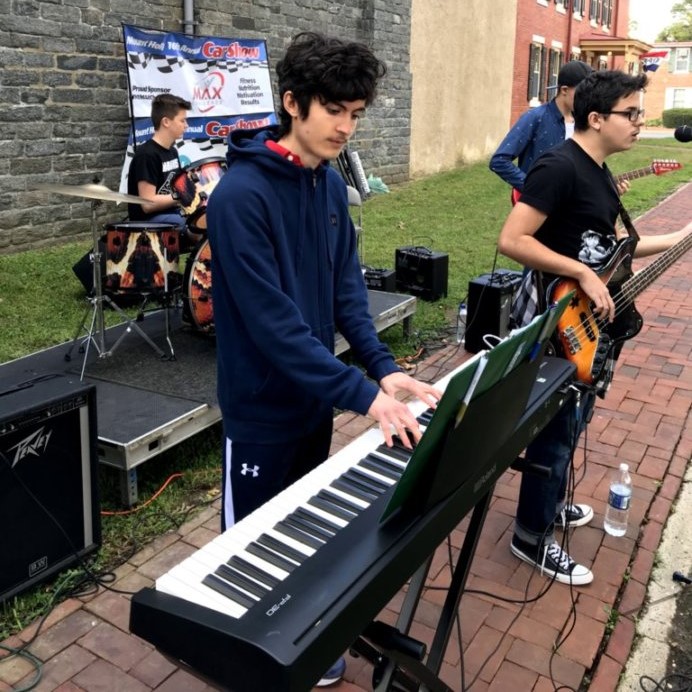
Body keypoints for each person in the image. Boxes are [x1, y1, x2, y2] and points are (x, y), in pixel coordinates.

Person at [206, 32, 442, 687]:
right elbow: (275, 328)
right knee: (246, 553)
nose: (346, 126)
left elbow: (346, 297)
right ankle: (248, 665)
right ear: (292, 103)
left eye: (356, 113)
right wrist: (367, 398)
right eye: (334, 110)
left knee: (301, 539)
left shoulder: (331, 189)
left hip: (315, 403)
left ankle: (297, 646)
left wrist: (384, 368)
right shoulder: (239, 199)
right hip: (260, 410)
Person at [497, 70, 689, 585]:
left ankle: (548, 505)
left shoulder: (598, 170)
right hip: (555, 320)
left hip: (589, 321)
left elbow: (611, 248)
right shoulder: (558, 166)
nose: (639, 123)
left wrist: (681, 235)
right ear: (597, 117)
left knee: (570, 425)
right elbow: (513, 240)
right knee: (555, 433)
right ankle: (530, 537)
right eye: (631, 114)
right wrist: (580, 271)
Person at [489, 60, 594, 201]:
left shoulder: (583, 122)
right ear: (564, 90)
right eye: (582, 93)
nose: (587, 99)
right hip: (538, 206)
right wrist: (533, 188)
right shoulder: (534, 117)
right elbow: (499, 161)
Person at [127, 93, 199, 249]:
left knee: (209, 219)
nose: (186, 125)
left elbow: (177, 186)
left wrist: (190, 185)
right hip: (149, 221)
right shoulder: (147, 155)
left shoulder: (172, 151)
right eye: (182, 120)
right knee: (197, 228)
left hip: (172, 214)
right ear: (166, 122)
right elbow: (147, 204)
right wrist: (179, 196)